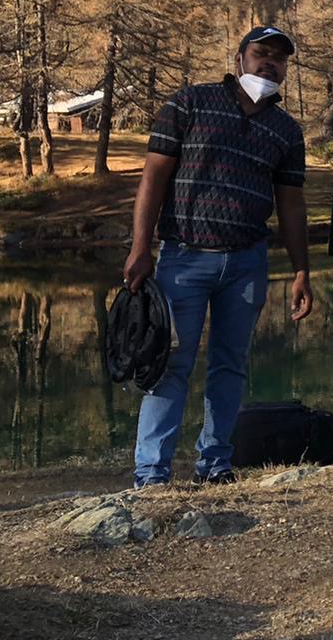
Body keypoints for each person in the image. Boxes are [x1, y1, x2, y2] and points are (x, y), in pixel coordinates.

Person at [123, 26, 312, 487]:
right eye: (261, 53)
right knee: (170, 363)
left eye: (278, 59)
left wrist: (301, 270)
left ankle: (214, 464)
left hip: (247, 263)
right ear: (240, 57)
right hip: (183, 258)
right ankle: (152, 474)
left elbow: (291, 204)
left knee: (230, 365)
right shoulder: (190, 102)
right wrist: (140, 247)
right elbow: (154, 177)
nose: (269, 64)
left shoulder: (286, 130)